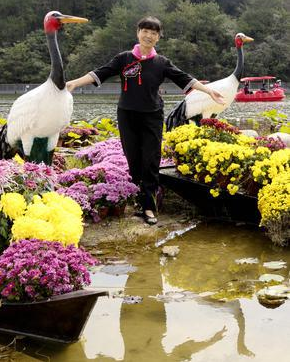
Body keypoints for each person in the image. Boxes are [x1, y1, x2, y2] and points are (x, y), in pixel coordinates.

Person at [66, 16, 224, 225]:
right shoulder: (123, 59)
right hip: (127, 115)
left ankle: (149, 207)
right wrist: (74, 83)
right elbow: (100, 73)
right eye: (145, 31)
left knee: (150, 160)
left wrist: (209, 91)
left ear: (158, 37)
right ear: (138, 32)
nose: (149, 36)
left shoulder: (161, 63)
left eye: (154, 32)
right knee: (133, 160)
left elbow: (185, 78)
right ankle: (139, 200)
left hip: (152, 116)